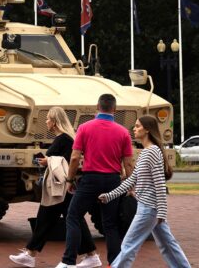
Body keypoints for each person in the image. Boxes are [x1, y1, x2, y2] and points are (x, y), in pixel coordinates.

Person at [9, 107, 101, 268]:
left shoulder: (63, 139)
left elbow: (64, 161)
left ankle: (31, 254)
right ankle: (90, 255)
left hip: (60, 187)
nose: (46, 122)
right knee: (66, 219)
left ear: (54, 121)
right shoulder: (67, 138)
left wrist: (47, 161)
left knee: (49, 217)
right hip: (63, 186)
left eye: (48, 119)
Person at [98, 115, 190, 268]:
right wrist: (109, 196)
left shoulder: (152, 151)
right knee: (167, 244)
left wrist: (162, 211)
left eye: (138, 126)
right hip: (149, 208)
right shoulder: (146, 152)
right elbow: (131, 180)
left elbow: (159, 183)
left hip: (148, 208)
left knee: (129, 244)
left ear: (147, 130)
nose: (134, 129)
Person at [56, 94, 134, 268]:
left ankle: (68, 261)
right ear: (114, 109)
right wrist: (131, 186)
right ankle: (115, 262)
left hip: (90, 179)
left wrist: (69, 179)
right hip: (113, 180)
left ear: (97, 106)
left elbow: (75, 157)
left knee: (74, 216)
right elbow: (128, 163)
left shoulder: (84, 128)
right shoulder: (123, 132)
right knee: (110, 223)